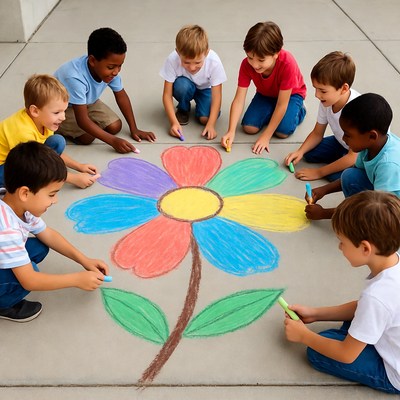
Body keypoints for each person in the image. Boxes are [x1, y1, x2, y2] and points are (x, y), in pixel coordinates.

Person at [284, 191, 400, 394]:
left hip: (393, 372)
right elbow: (365, 308)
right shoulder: (392, 265)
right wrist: (316, 313)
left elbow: (346, 355)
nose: (339, 247)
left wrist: (304, 336)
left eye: (342, 242)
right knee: (345, 330)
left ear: (365, 248)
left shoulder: (378, 296)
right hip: (390, 333)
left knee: (317, 353)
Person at [0, 141, 109, 322]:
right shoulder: (7, 230)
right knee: (29, 274)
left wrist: (85, 260)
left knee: (39, 247)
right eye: (51, 194)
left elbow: (48, 234)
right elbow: (30, 280)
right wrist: (76, 280)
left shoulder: (14, 202)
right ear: (25, 193)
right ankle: (4, 305)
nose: (55, 200)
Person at [54, 27, 156, 153]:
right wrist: (113, 141)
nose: (116, 72)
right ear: (92, 61)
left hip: (86, 101)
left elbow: (121, 96)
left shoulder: (109, 72)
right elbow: (82, 121)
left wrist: (134, 128)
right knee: (88, 137)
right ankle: (58, 125)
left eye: (120, 66)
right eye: (111, 67)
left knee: (115, 126)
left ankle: (88, 125)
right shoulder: (74, 78)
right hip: (62, 107)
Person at [305, 93, 400, 220]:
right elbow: (356, 171)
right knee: (350, 175)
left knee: (375, 215)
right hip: (383, 198)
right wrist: (323, 190)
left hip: (392, 212)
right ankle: (354, 214)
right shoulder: (370, 145)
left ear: (372, 136)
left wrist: (324, 214)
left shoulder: (388, 165)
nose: (343, 139)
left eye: (348, 135)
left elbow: (380, 209)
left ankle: (358, 220)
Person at [0, 74, 99, 189]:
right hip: (4, 167)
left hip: (19, 156)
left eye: (64, 111)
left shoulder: (42, 120)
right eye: (57, 113)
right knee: (31, 176)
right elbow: (35, 167)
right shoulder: (23, 133)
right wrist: (74, 179)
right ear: (35, 111)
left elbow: (48, 154)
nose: (63, 117)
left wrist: (79, 166)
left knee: (57, 141)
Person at [221, 21, 306, 154]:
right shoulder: (246, 65)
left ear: (275, 54)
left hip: (291, 96)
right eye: (250, 57)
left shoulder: (287, 63)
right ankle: (273, 113)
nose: (254, 65)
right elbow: (239, 99)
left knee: (282, 132)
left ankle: (300, 111)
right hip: (266, 94)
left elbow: (282, 104)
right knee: (249, 128)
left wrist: (266, 136)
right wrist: (231, 131)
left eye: (261, 60)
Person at [285, 51, 360, 182]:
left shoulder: (356, 110)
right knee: (308, 154)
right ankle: (340, 160)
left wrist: (319, 172)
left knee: (334, 177)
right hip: (341, 143)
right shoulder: (327, 101)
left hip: (359, 153)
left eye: (322, 91)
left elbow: (354, 155)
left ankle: (345, 164)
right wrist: (300, 151)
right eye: (316, 89)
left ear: (344, 89)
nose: (317, 95)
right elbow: (317, 133)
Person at [160, 24, 227, 140]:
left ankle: (202, 108)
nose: (191, 67)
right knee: (182, 86)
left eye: (197, 63)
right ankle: (183, 107)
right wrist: (173, 123)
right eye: (186, 62)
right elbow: (166, 94)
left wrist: (211, 125)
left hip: (205, 89)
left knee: (204, 120)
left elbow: (217, 96)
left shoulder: (214, 61)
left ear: (206, 53)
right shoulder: (172, 59)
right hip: (185, 85)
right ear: (178, 52)